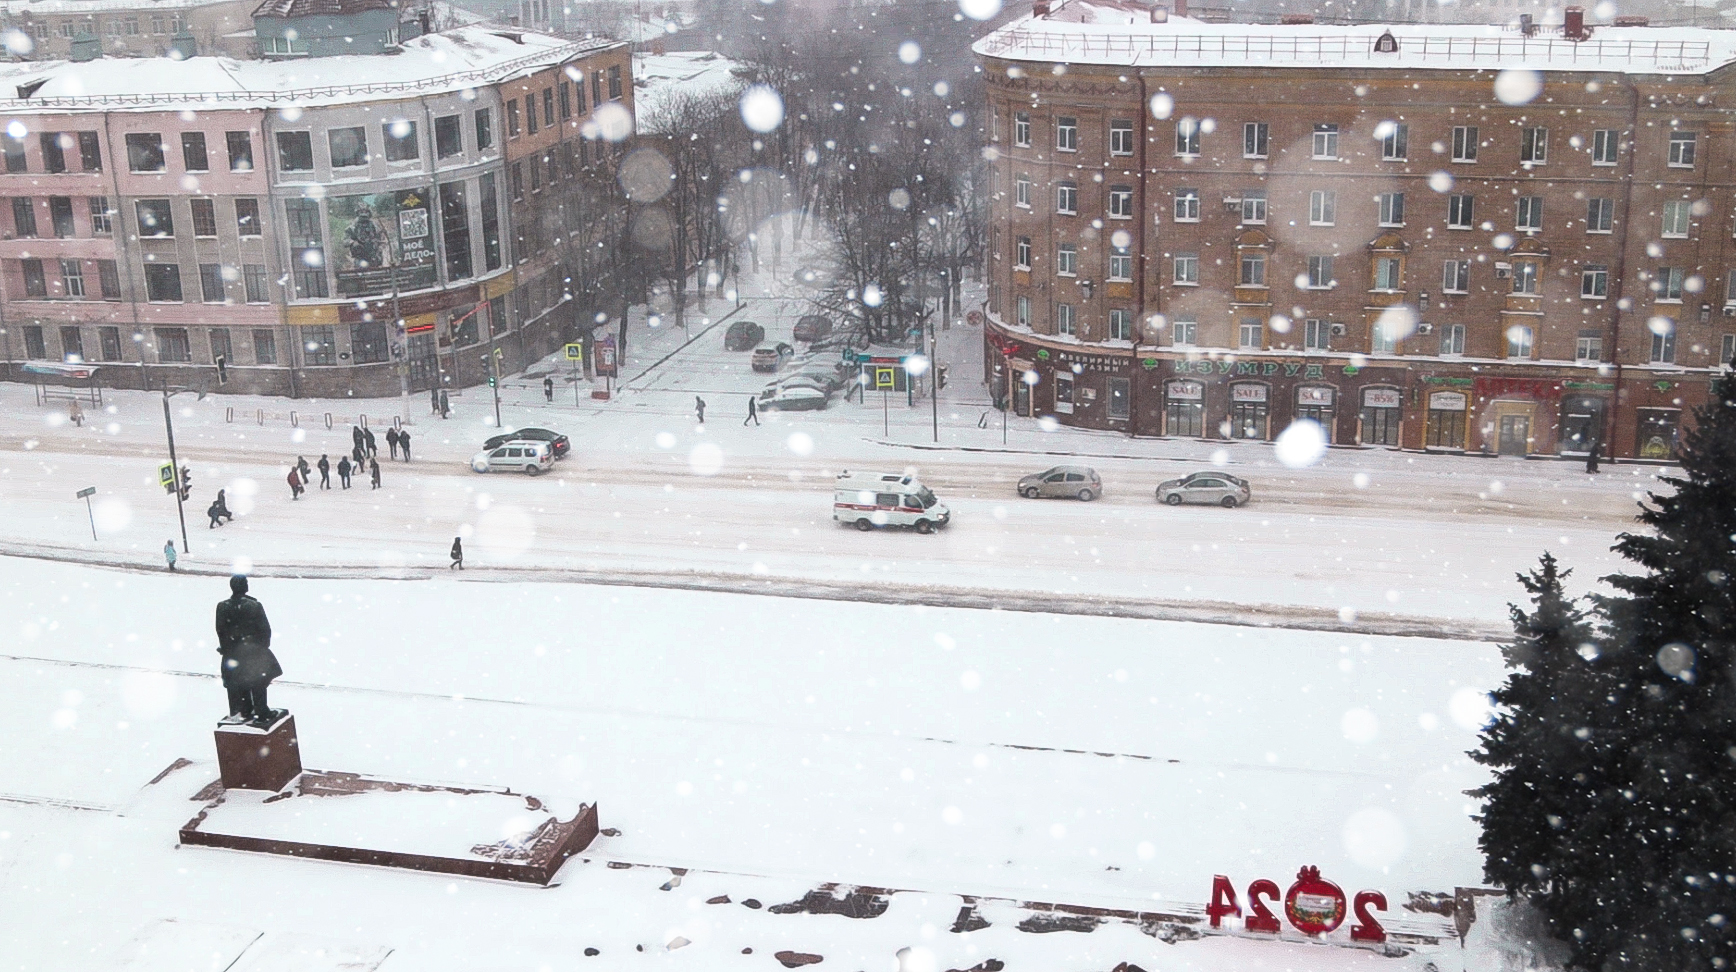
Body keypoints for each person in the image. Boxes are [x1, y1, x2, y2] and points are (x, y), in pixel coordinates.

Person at [214, 574, 283, 727]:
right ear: (244, 586)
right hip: (252, 652)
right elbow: (265, 630)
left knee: (238, 681)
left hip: (233, 653)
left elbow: (221, 630)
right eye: (245, 582)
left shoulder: (222, 606)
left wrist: (227, 648)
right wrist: (260, 647)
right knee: (258, 680)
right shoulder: (254, 606)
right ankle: (261, 710)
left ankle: (244, 710)